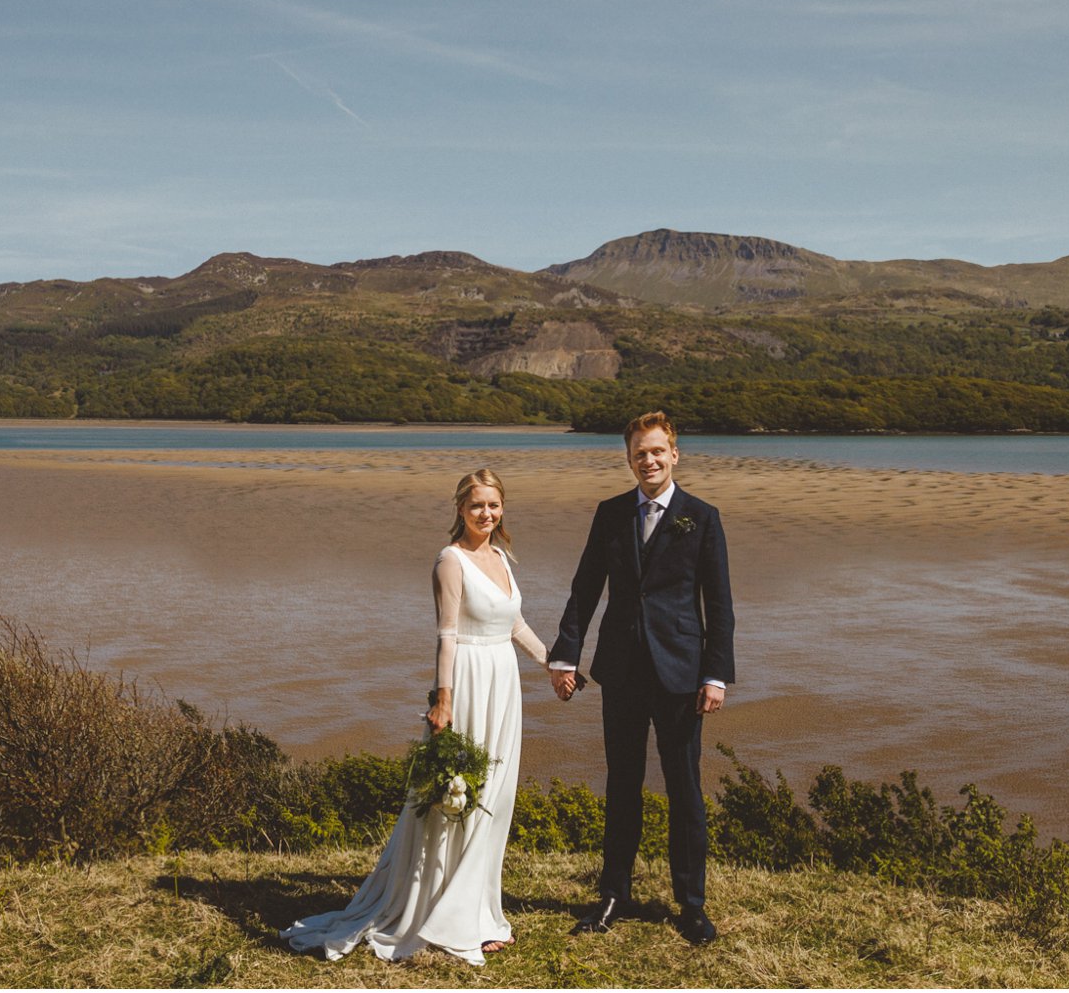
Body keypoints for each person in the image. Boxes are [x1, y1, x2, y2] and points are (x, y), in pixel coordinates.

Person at [281, 469, 551, 966]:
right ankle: (441, 912)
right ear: (459, 509)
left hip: (504, 684)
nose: (486, 514)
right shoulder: (450, 561)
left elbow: (513, 622)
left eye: (493, 505)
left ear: (503, 507)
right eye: (476, 506)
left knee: (496, 793)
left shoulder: (501, 558)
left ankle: (480, 909)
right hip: (469, 680)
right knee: (458, 795)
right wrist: (444, 700)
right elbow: (447, 634)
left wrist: (551, 664)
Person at [547, 411, 735, 945]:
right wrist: (566, 657)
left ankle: (691, 905)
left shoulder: (702, 517)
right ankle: (612, 895)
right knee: (621, 784)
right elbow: (585, 589)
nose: (647, 461)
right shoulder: (610, 514)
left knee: (686, 790)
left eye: (656, 451)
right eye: (638, 453)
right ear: (628, 458)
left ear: (675, 454)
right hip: (622, 670)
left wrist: (716, 674)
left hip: (681, 674)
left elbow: (719, 605)